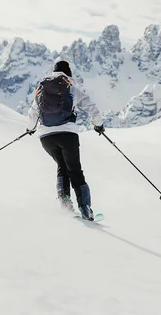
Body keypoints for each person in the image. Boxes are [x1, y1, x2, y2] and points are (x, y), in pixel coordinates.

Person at [27, 60, 105, 220]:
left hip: (46, 137)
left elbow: (33, 112)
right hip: (67, 135)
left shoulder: (41, 89)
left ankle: (65, 202)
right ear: (68, 74)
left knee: (62, 166)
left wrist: (31, 128)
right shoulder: (69, 87)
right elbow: (90, 106)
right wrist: (98, 125)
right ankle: (85, 208)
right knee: (75, 170)